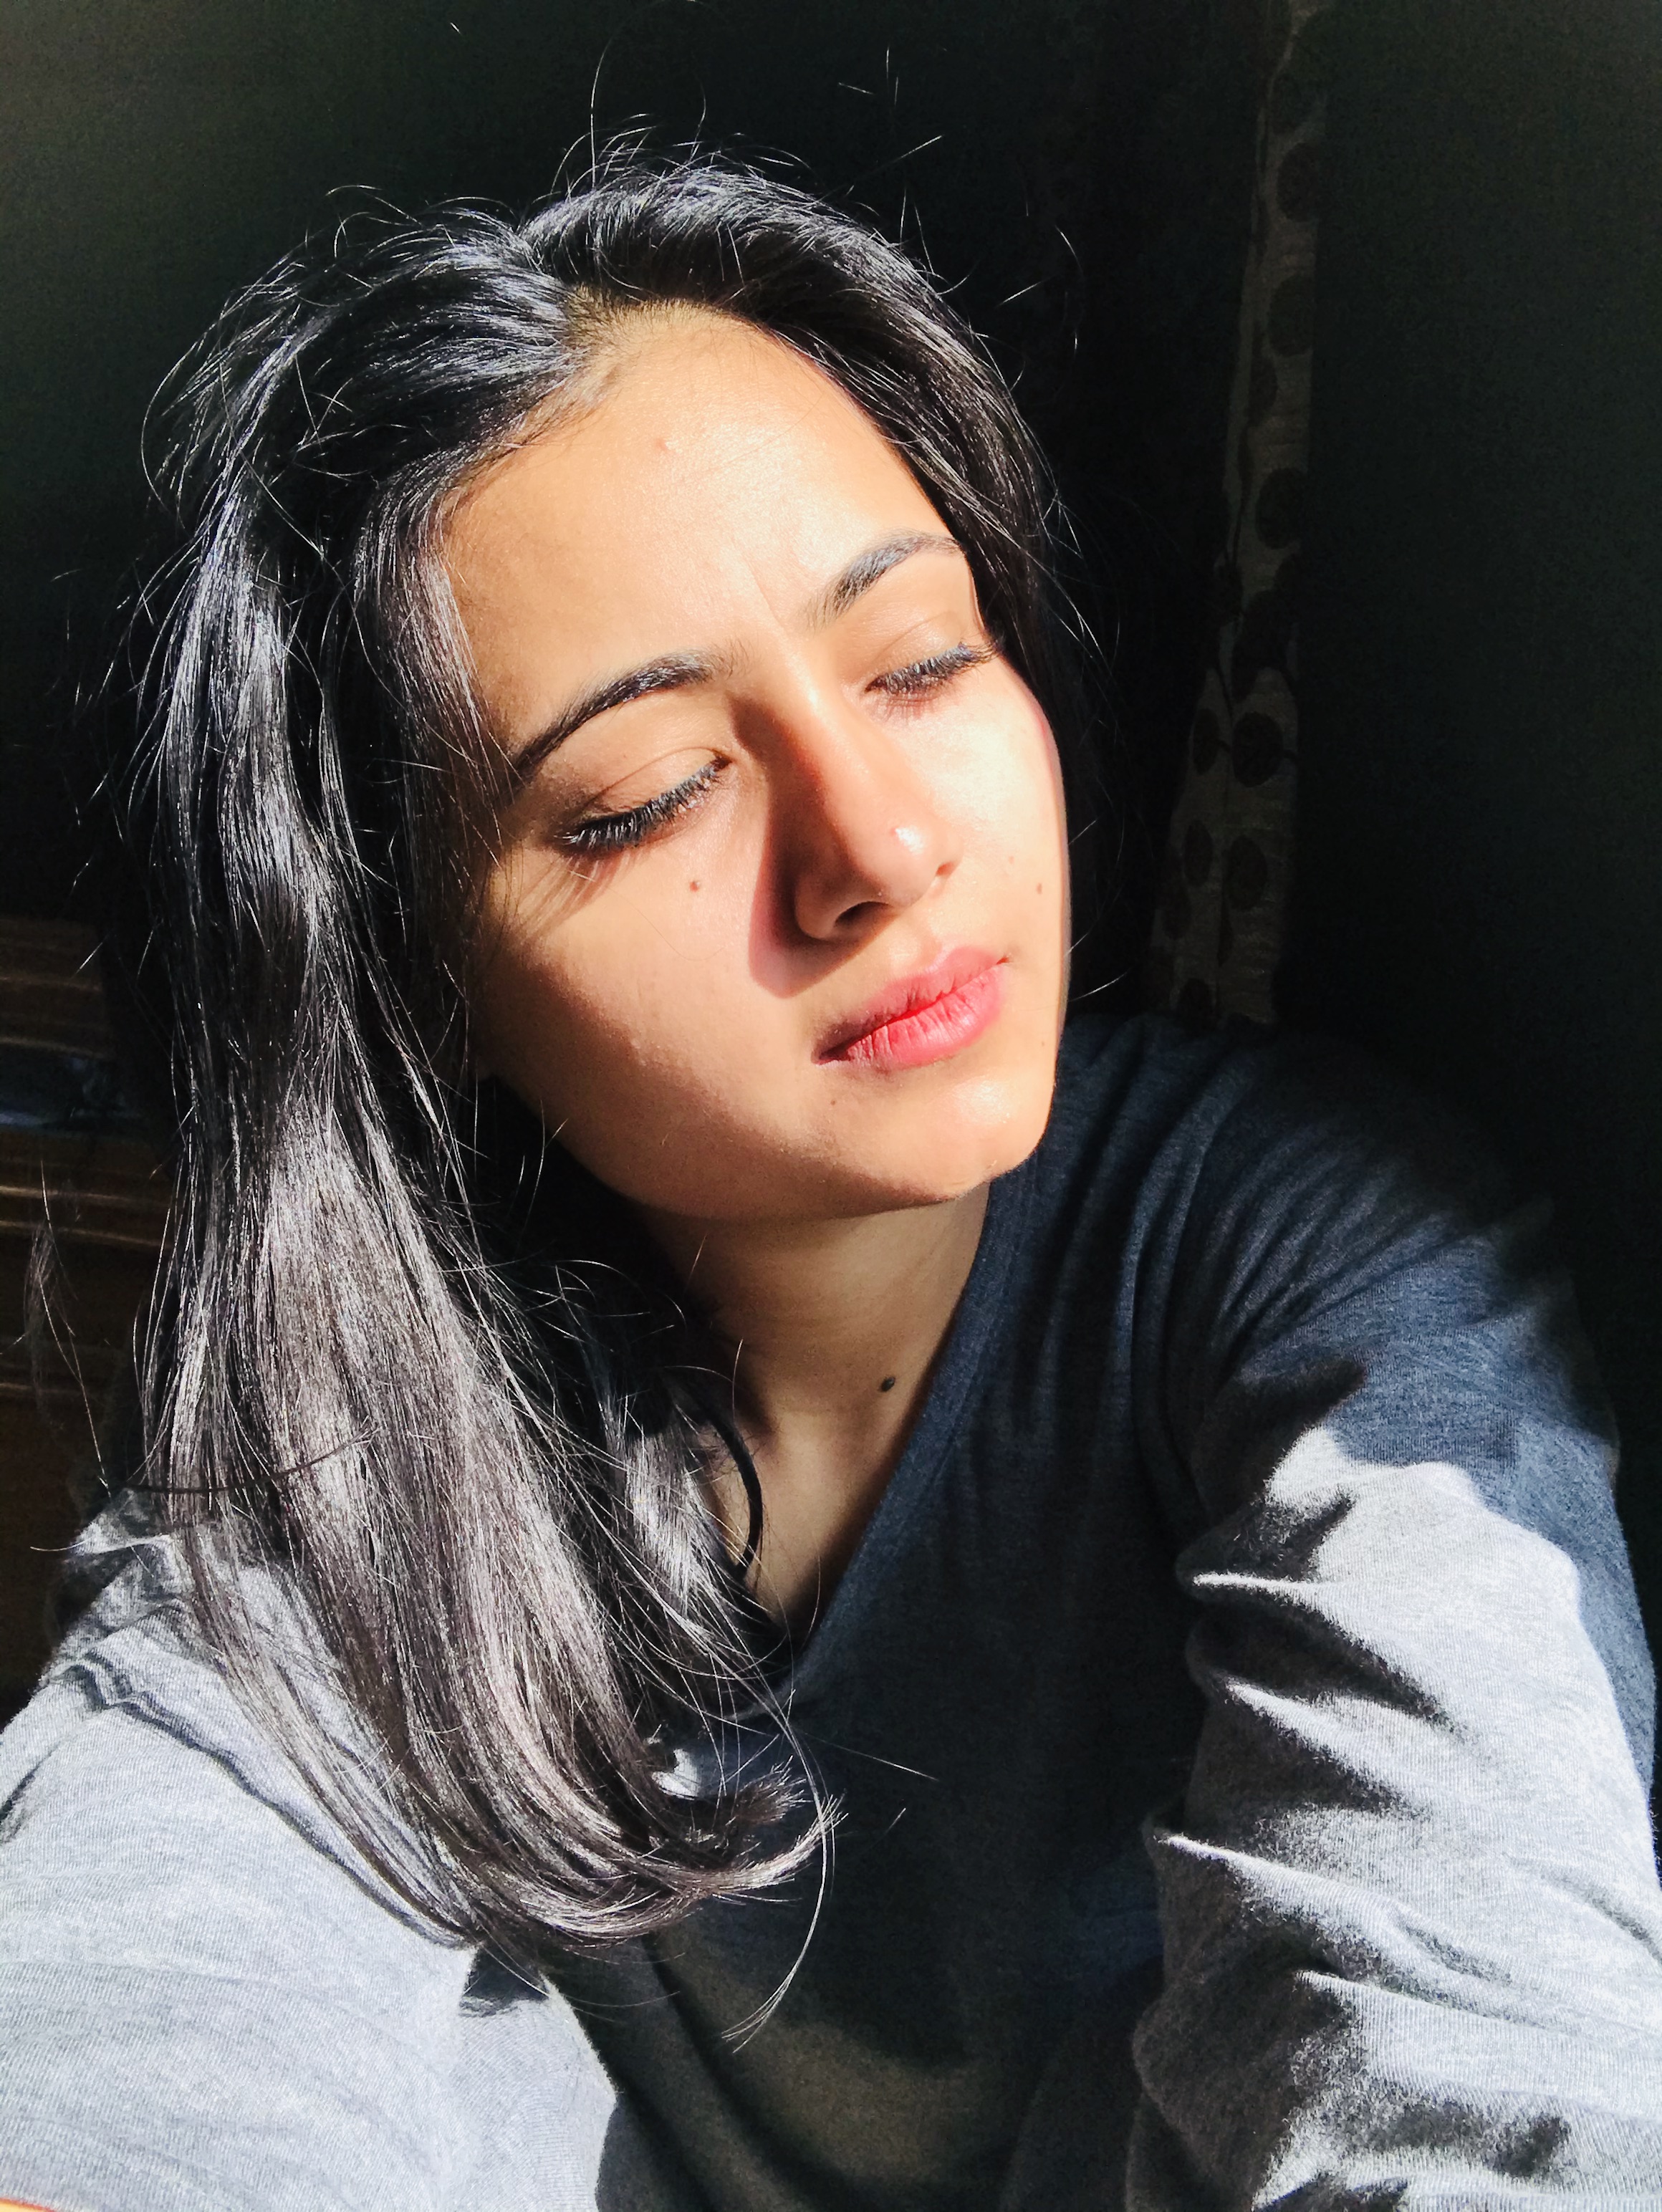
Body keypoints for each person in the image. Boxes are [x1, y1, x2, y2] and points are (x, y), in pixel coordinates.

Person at [2, 158, 1661, 2212]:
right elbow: (150, 1982)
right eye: (645, 798)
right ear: (415, 979)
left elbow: (1472, 2035)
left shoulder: (1307, 1264)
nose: (877, 847)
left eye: (920, 660)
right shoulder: (355, 1451)